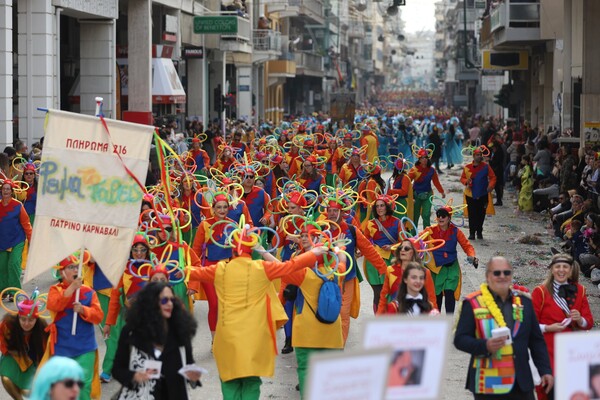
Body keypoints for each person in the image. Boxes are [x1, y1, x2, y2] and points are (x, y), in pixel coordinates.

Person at [188, 220, 329, 400]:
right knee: (251, 380)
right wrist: (314, 253)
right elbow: (290, 266)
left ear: (233, 249)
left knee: (229, 379)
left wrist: (164, 270)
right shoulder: (261, 268)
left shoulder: (220, 269)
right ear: (251, 249)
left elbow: (192, 271)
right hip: (254, 337)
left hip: (228, 337)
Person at [263, 224, 347, 397]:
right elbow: (343, 258)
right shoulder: (338, 272)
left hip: (307, 334)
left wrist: (261, 250)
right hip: (332, 333)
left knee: (306, 373)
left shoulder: (305, 275)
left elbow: (279, 267)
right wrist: (338, 247)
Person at [454, 256, 554, 399]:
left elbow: (536, 341)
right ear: (488, 276)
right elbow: (460, 339)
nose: (502, 276)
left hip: (521, 382)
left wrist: (545, 370)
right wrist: (485, 345)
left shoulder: (524, 302)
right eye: (497, 273)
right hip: (488, 383)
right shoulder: (472, 303)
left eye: (506, 273)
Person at [113, 282, 201, 399]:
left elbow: (189, 365)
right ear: (151, 303)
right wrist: (134, 376)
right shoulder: (131, 332)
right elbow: (117, 369)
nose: (169, 304)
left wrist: (193, 377)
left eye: (172, 300)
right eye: (164, 300)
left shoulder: (180, 332)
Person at [531, 254, 593, 400]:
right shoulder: (540, 292)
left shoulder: (581, 290)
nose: (561, 270)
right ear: (552, 270)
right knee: (550, 391)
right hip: (547, 349)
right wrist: (548, 328)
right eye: (557, 267)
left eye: (565, 267)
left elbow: (588, 322)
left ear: (571, 270)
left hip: (572, 351)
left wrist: (580, 319)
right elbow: (530, 324)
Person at [46, 252, 104, 400]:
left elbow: (98, 316)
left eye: (77, 267)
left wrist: (84, 310)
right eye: (71, 267)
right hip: (62, 346)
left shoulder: (89, 292)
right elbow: (54, 305)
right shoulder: (55, 290)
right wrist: (71, 289)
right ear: (62, 272)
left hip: (85, 346)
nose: (75, 270)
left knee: (83, 386)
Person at [425, 207, 476, 314]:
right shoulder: (430, 231)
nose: (440, 218)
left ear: (449, 218)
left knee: (449, 293)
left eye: (443, 215)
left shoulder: (456, 231)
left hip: (452, 267)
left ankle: (448, 320)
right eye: (438, 215)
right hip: (437, 269)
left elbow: (466, 245)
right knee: (437, 295)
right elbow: (416, 241)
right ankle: (438, 321)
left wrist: (472, 255)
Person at [0, 290, 48, 400]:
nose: (26, 324)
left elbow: (44, 356)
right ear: (18, 317)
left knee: (27, 391)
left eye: (31, 320)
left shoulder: (42, 329)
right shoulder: (8, 324)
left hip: (33, 359)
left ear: (36, 319)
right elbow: (2, 342)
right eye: (23, 319)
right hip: (12, 355)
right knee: (6, 378)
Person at [377, 238, 437, 314]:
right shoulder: (390, 270)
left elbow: (431, 299)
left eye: (406, 248)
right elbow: (383, 297)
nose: (402, 250)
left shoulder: (425, 272)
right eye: (400, 247)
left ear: (414, 252)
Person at [0, 181, 32, 293]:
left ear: (12, 191)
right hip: (2, 242)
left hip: (17, 240)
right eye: (4, 188)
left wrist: (31, 239)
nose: (6, 191)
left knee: (13, 264)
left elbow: (26, 224)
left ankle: (14, 292)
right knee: (2, 267)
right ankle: (3, 291)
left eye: (8, 189)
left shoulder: (18, 205)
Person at [460, 146, 496, 240]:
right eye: (477, 155)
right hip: (470, 194)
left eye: (480, 155)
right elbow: (462, 178)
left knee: (481, 214)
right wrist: (466, 182)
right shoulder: (467, 168)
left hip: (483, 194)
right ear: (473, 156)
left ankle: (479, 231)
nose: (479, 156)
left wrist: (491, 186)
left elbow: (493, 177)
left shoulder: (486, 167)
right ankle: (472, 233)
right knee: (472, 214)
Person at [408, 148, 446, 229]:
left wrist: (442, 192)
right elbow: (407, 182)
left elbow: (436, 182)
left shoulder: (432, 170)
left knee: (426, 215)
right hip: (416, 196)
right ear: (419, 159)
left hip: (428, 194)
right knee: (415, 216)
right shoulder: (414, 170)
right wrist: (409, 195)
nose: (424, 159)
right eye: (422, 158)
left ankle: (427, 234)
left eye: (425, 157)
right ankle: (413, 236)